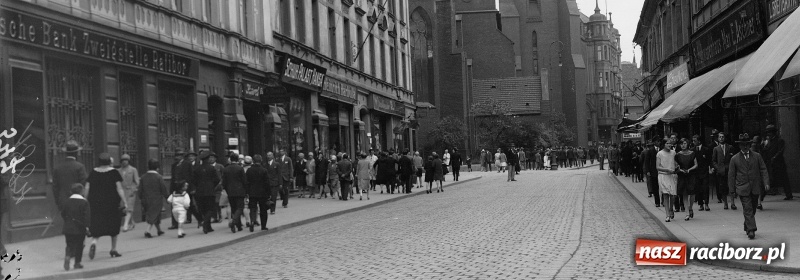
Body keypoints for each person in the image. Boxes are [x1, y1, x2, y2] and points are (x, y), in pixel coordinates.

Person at [729, 133, 771, 240]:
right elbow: (731, 175)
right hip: (742, 187)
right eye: (743, 145)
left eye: (747, 144)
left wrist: (766, 183)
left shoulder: (757, 156)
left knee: (753, 208)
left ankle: (747, 224)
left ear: (750, 145)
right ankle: (751, 230)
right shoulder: (734, 159)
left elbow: (763, 169)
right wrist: (732, 190)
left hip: (755, 187)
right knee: (747, 208)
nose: (745, 146)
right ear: (739, 146)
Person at [85, 153, 126, 259]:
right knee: (114, 226)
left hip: (96, 203)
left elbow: (87, 187)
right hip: (112, 203)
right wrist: (124, 201)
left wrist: (85, 199)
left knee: (97, 224)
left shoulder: (93, 172)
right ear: (109, 161)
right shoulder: (114, 172)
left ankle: (94, 242)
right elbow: (119, 188)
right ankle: (113, 249)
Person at [53, 140, 88, 213]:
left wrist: (58, 201)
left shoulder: (57, 168)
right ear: (76, 153)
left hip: (62, 201)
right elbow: (84, 184)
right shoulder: (80, 167)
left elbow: (55, 188)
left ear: (66, 153)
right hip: (77, 201)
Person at [193, 151, 221, 234]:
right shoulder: (211, 168)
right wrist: (212, 185)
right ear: (207, 159)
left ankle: (208, 227)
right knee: (211, 209)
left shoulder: (197, 169)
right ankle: (205, 224)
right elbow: (217, 179)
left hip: (200, 192)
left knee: (204, 209)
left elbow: (194, 180)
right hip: (210, 191)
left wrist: (198, 186)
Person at [139, 159, 168, 238]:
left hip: (145, 199)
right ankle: (147, 231)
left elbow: (140, 189)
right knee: (154, 214)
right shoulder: (158, 177)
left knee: (155, 214)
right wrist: (167, 197)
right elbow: (163, 188)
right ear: (157, 168)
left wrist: (141, 198)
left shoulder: (143, 177)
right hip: (156, 199)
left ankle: (159, 230)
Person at [762, 125, 791, 203]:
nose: (768, 134)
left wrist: (774, 158)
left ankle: (789, 194)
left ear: (773, 132)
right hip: (772, 165)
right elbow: (766, 151)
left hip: (779, 164)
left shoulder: (779, 141)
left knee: (784, 179)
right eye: (767, 132)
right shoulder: (768, 142)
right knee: (770, 179)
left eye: (769, 132)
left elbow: (780, 151)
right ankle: (762, 196)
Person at [222, 153, 247, 233]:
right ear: (237, 159)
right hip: (239, 190)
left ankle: (238, 226)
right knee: (240, 208)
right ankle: (234, 221)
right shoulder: (240, 168)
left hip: (230, 191)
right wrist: (246, 190)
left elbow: (224, 182)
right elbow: (244, 180)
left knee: (234, 208)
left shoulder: (226, 169)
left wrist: (227, 189)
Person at [712, 132, 737, 210]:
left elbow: (734, 158)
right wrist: (718, 168)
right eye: (720, 137)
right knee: (723, 187)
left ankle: (732, 203)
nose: (721, 138)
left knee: (731, 186)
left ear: (725, 138)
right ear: (718, 138)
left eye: (722, 137)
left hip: (729, 169)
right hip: (721, 171)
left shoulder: (730, 147)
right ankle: (725, 203)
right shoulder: (716, 149)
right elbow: (714, 161)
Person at [245, 154, 270, 232]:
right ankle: (263, 226)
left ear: (253, 161)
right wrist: (268, 193)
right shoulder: (264, 170)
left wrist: (247, 192)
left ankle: (252, 221)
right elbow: (267, 183)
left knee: (252, 208)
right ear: (261, 161)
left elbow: (246, 182)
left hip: (252, 192)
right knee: (263, 209)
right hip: (262, 193)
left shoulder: (249, 170)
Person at [675, 139, 698, 221]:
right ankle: (687, 212)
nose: (683, 145)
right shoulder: (678, 155)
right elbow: (676, 166)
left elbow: (696, 164)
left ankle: (690, 207)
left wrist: (689, 170)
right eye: (681, 144)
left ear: (687, 144)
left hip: (691, 175)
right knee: (684, 193)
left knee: (692, 193)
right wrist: (681, 170)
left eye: (684, 143)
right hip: (682, 175)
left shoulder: (692, 153)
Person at [117, 154, 140, 232]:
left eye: (126, 160)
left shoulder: (133, 170)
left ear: (129, 161)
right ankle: (131, 222)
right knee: (123, 207)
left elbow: (137, 181)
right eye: (123, 160)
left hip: (130, 191)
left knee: (129, 208)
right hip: (121, 191)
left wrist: (133, 189)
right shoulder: (118, 170)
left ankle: (125, 225)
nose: (124, 162)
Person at [657, 139, 678, 222]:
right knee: (665, 194)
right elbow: (657, 167)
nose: (669, 144)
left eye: (670, 143)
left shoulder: (673, 153)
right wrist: (667, 169)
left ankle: (671, 208)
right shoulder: (660, 154)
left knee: (673, 195)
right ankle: (667, 214)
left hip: (672, 175)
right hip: (663, 175)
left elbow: (676, 163)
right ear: (663, 144)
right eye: (667, 143)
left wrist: (676, 168)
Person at [693, 135, 713, 211]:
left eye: (695, 141)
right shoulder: (692, 150)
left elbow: (710, 160)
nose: (693, 142)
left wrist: (711, 168)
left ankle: (706, 204)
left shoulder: (706, 149)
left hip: (704, 171)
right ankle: (700, 204)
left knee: (705, 188)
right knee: (698, 188)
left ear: (699, 141)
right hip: (696, 172)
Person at [642, 138, 660, 207]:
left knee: (662, 187)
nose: (658, 143)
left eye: (659, 141)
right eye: (657, 141)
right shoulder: (650, 150)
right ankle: (657, 202)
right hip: (653, 171)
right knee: (655, 187)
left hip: (661, 171)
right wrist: (648, 171)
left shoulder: (662, 149)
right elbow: (647, 161)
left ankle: (663, 201)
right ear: (654, 142)